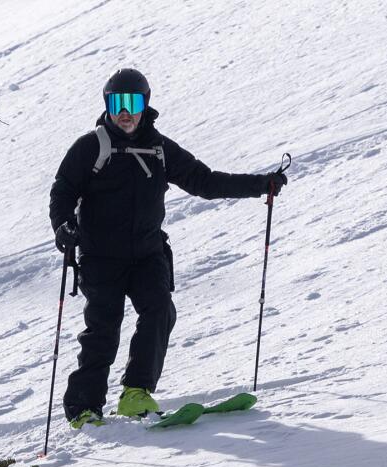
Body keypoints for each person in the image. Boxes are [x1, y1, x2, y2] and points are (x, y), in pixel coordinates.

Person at [49, 68, 286, 429]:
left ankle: (135, 393)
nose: (124, 112)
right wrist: (63, 226)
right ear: (108, 106)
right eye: (116, 103)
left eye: (132, 102)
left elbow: (204, 181)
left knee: (160, 311)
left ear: (145, 105)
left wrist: (260, 185)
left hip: (147, 254)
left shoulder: (159, 149)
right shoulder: (91, 147)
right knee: (103, 329)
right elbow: (63, 190)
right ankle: (84, 408)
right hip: (101, 257)